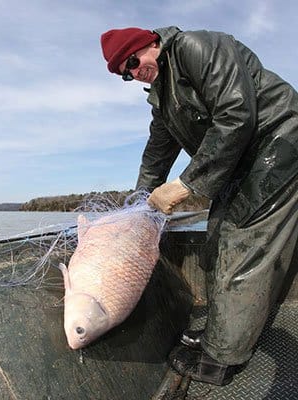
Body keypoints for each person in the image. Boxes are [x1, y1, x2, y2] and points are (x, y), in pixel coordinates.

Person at [100, 26, 298, 386]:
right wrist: (136, 208)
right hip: (239, 163)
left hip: (279, 142)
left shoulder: (194, 47)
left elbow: (236, 113)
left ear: (150, 43)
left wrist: (185, 184)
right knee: (217, 238)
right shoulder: (162, 96)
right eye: (124, 74)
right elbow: (156, 155)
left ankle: (222, 359)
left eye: (132, 61)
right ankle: (224, 329)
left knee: (242, 240)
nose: (133, 72)